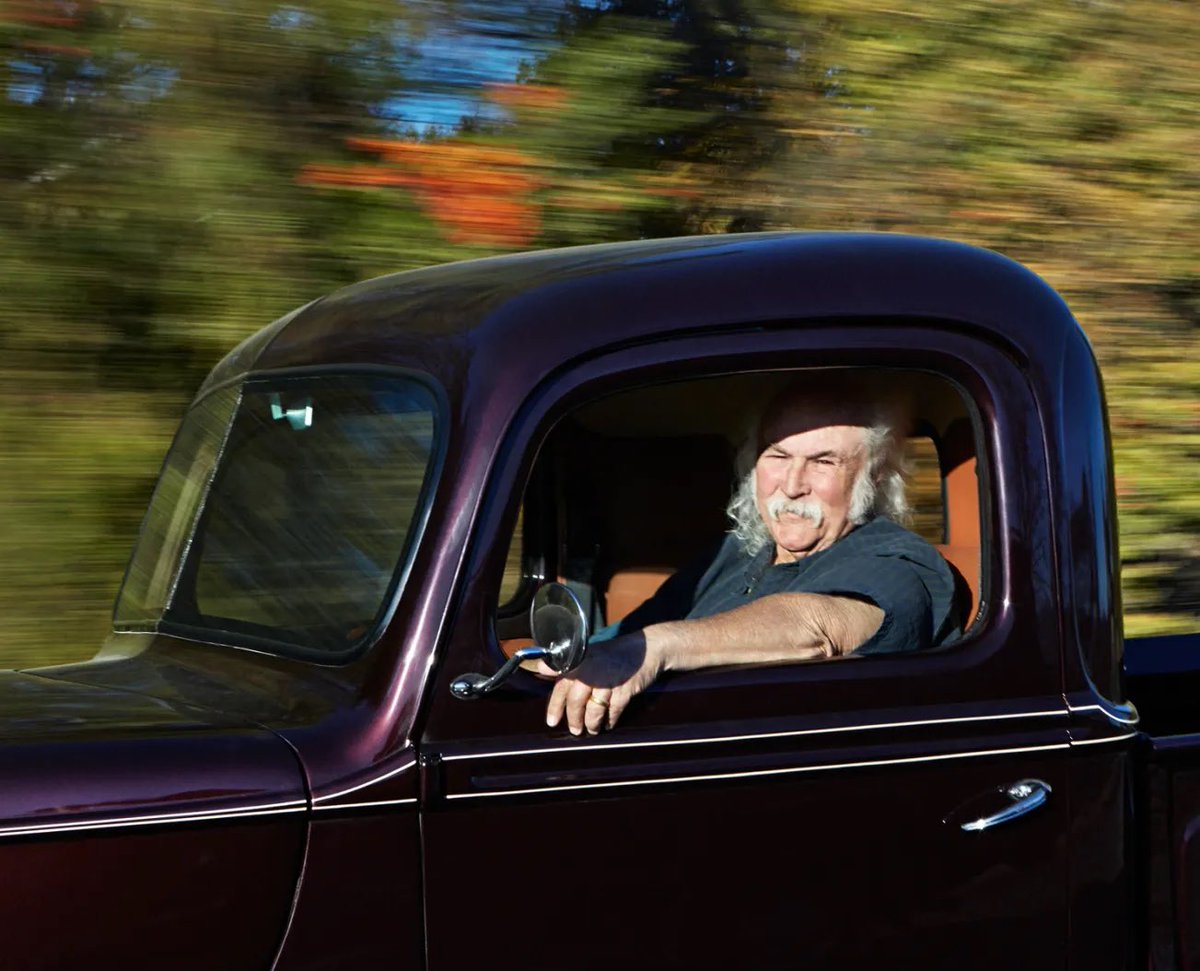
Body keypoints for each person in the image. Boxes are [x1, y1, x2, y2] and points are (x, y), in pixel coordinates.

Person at [540, 380, 962, 735]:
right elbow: (625, 637)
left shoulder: (900, 562)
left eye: (823, 462)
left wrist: (658, 647)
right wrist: (550, 665)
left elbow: (815, 627)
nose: (793, 484)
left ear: (872, 479)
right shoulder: (737, 551)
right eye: (777, 455)